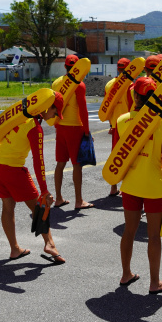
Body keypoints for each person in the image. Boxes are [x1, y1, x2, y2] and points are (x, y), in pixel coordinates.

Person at [113, 77, 162, 294]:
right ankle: (155, 282)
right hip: (154, 187)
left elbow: (116, 159)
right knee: (153, 236)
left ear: (135, 96)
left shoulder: (122, 121)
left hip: (130, 185)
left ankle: (125, 274)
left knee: (128, 232)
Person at [0, 91, 66, 261]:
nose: (54, 116)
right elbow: (39, 162)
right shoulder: (35, 127)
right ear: (47, 107)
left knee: (8, 207)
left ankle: (15, 249)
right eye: (54, 111)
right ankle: (50, 244)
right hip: (12, 170)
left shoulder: (21, 114)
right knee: (41, 207)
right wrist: (44, 191)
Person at [52, 54, 93, 209]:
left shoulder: (56, 83)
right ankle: (78, 201)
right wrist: (87, 131)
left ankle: (58, 198)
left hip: (60, 127)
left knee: (60, 163)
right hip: (75, 128)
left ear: (65, 67)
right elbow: (83, 110)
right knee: (77, 165)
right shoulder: (79, 84)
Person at [103, 57, 132, 197]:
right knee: (129, 157)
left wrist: (110, 124)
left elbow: (106, 108)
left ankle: (113, 187)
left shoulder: (109, 84)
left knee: (115, 157)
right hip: (129, 126)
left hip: (115, 126)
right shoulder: (131, 85)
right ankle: (126, 187)